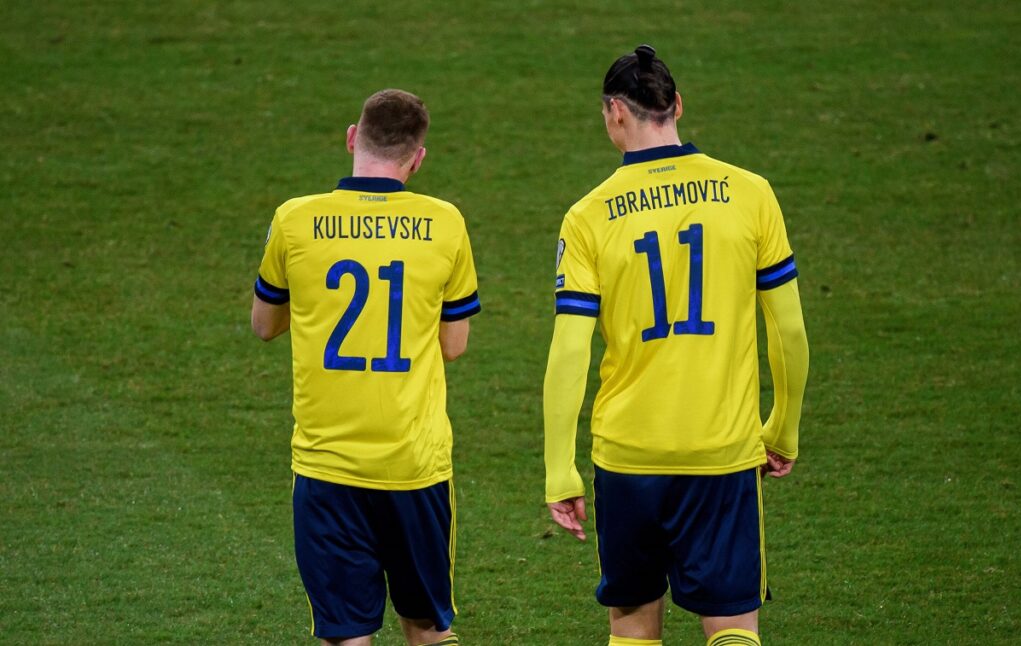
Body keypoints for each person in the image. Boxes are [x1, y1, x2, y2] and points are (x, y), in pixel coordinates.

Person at [543, 46, 809, 646]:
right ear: (677, 106)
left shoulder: (587, 216)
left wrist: (559, 466)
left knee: (633, 627)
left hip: (629, 458)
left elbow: (569, 352)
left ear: (614, 112)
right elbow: (788, 331)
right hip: (722, 452)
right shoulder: (751, 193)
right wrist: (783, 427)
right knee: (733, 625)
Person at [251, 89, 480, 646]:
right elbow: (454, 345)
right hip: (415, 466)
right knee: (427, 626)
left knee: (346, 633)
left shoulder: (295, 219)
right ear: (417, 158)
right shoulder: (445, 222)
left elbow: (264, 325)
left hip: (328, 467)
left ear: (353, 138)